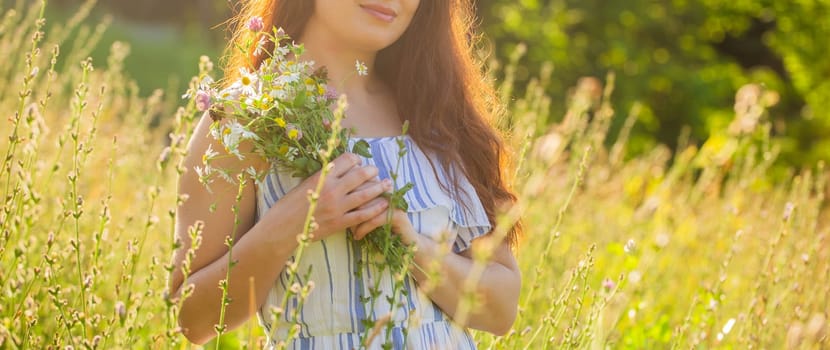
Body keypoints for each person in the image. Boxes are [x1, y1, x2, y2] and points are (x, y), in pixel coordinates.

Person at [168, 0, 522, 348]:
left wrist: (412, 247)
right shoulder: (248, 116)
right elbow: (191, 320)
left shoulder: (441, 119)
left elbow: (501, 311)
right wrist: (293, 223)